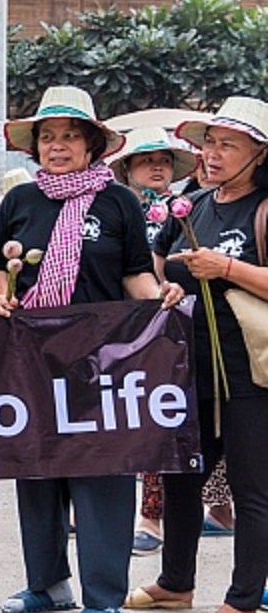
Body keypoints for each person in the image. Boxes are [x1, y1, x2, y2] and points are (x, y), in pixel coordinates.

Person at [0, 86, 182, 613]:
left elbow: (134, 273)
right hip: (32, 358)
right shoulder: (20, 203)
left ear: (92, 144)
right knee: (37, 468)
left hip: (103, 360)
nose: (57, 146)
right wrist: (1, 297)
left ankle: (104, 598)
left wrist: (160, 300)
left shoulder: (117, 201)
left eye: (70, 136)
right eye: (48, 137)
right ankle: (47, 585)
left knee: (101, 471)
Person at [127, 96, 268, 613]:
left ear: (259, 154)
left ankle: (243, 602)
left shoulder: (263, 208)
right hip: (191, 370)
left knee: (253, 489)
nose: (213, 153)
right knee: (181, 477)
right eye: (210, 142)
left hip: (251, 374)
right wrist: (166, 288)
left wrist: (226, 267)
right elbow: (160, 268)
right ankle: (175, 581)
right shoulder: (196, 205)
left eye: (229, 144)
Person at [107, 127, 199, 557]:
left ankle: (152, 517)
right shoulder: (112, 207)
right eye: (146, 160)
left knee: (160, 422)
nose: (156, 167)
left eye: (163, 160)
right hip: (113, 329)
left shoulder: (188, 210)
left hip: (168, 325)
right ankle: (99, 513)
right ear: (127, 168)